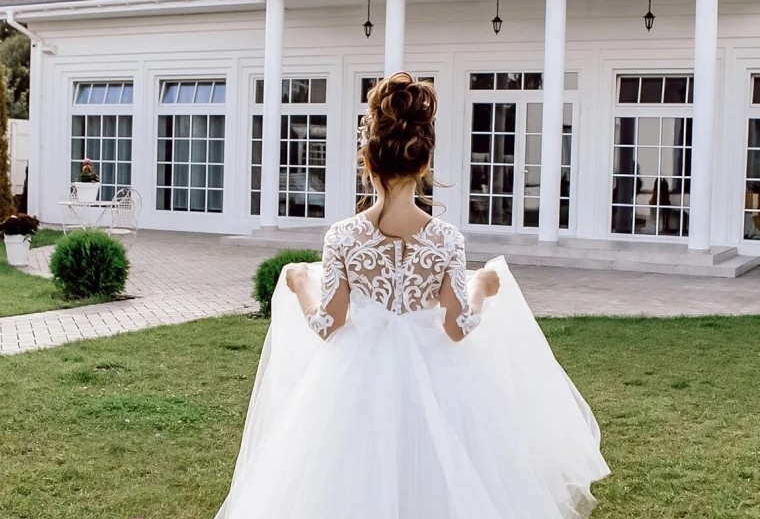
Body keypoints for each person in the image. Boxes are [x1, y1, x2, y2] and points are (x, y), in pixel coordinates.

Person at [214, 73, 610, 519]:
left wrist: (301, 283)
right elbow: (457, 328)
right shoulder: (445, 239)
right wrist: (480, 287)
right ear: (423, 165)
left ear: (368, 161)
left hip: (353, 377)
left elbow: (328, 324)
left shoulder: (343, 237)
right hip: (437, 373)